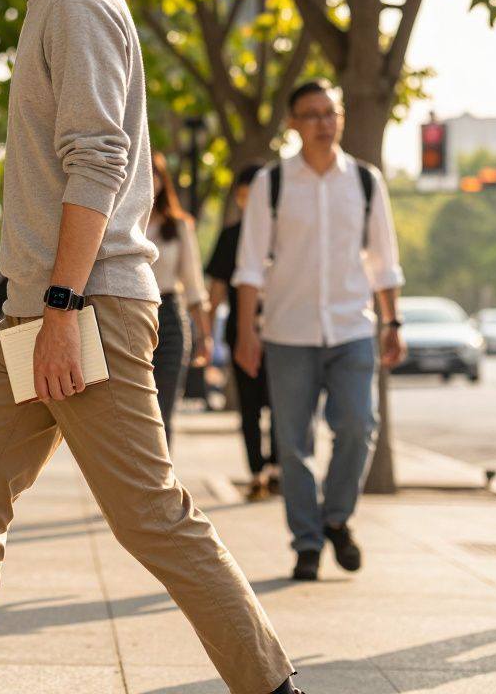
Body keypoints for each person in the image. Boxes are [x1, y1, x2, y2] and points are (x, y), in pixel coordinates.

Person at [0, 0, 297, 693]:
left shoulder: (76, 1)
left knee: (149, 513)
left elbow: (99, 158)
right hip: (38, 308)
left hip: (85, 304)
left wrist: (60, 306)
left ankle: (272, 686)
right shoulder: (49, 3)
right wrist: (41, 305)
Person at [233, 79, 406, 582]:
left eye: (331, 113)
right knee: (292, 444)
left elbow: (383, 261)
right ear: (292, 124)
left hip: (353, 327)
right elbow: (249, 265)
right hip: (288, 329)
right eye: (311, 115)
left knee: (358, 425)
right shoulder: (273, 182)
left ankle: (336, 517)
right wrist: (247, 331)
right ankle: (307, 542)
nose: (324, 124)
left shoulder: (366, 180)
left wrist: (392, 322)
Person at [207, 164, 280, 501]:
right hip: (242, 333)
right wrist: (206, 334)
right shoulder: (231, 235)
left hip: (284, 333)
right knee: (249, 407)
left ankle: (278, 469)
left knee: (282, 404)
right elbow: (217, 290)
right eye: (242, 194)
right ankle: (256, 474)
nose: (248, 200)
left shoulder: (284, 234)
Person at [146, 151, 211, 448]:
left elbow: (195, 287)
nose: (149, 179)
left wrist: (205, 336)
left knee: (163, 411)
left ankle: (160, 490)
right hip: (126, 318)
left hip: (169, 318)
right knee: (133, 414)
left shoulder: (179, 226)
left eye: (154, 173)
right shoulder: (116, 224)